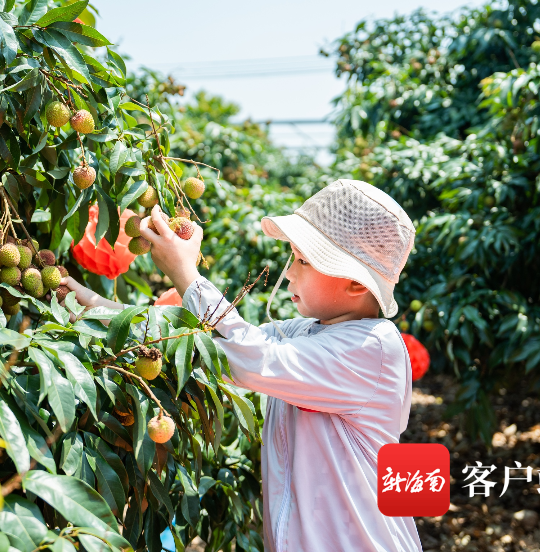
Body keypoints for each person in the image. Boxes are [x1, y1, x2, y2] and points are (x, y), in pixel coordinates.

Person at [64, 179, 423, 552]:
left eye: (303, 260)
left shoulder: (372, 347)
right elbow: (200, 341)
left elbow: (249, 359)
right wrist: (92, 307)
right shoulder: (304, 332)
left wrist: (185, 274)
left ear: (355, 285)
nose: (289, 272)